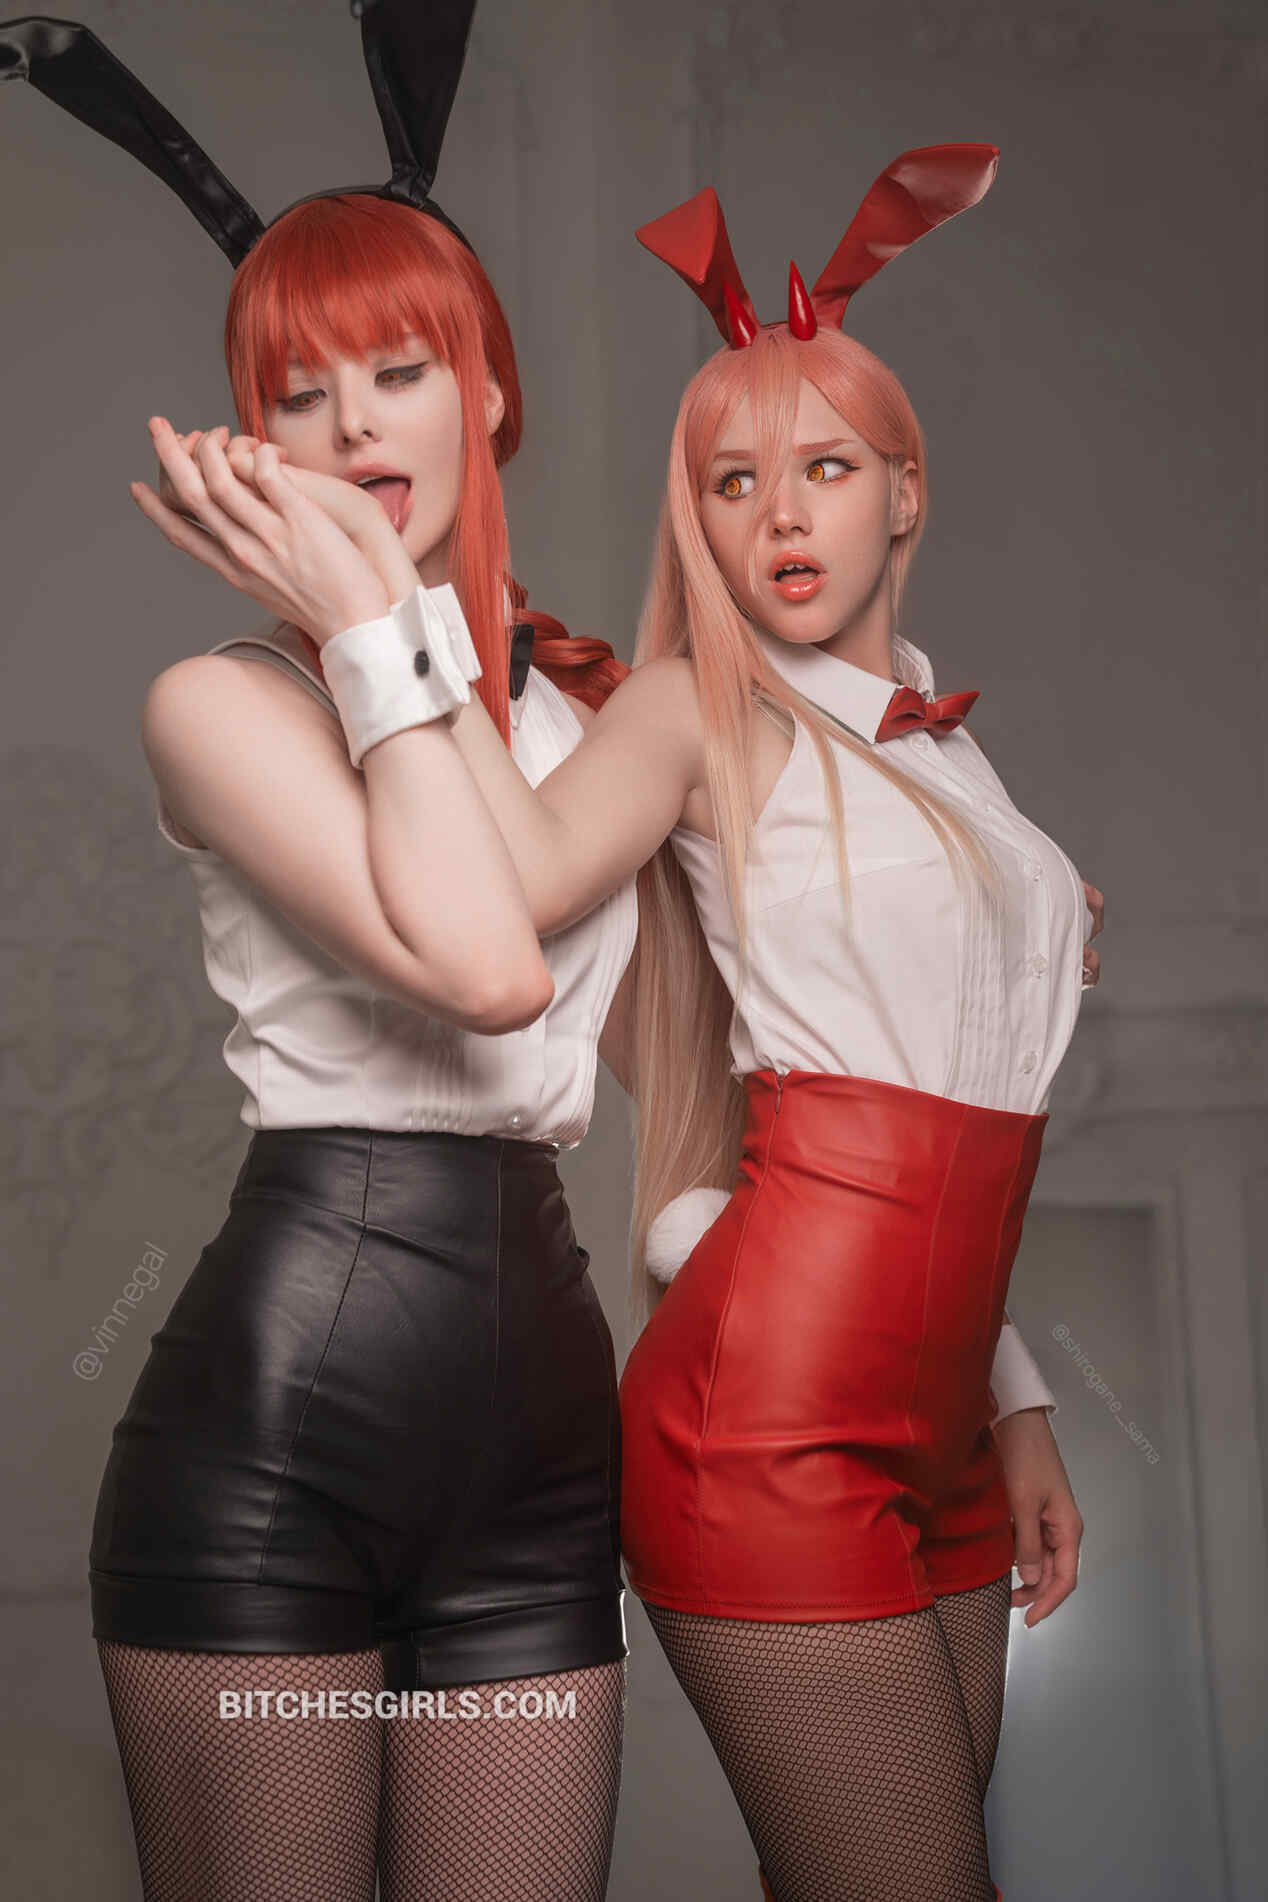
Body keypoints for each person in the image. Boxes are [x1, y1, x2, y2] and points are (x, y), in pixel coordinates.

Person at [271, 145, 1100, 1900]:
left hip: (950, 1419)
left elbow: (947, 1087)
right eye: (733, 481)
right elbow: (515, 880)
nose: (780, 518)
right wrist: (389, 612)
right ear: (695, 517)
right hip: (770, 1421)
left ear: (905, 493)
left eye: (824, 469)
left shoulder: (948, 742)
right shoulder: (683, 712)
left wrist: (1018, 1400)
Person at [5, 8, 634, 1898]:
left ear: (488, 393)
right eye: (299, 397)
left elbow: (744, 1046)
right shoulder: (224, 706)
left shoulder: (591, 727)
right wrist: (370, 618)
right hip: (274, 1462)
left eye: (400, 369)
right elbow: (489, 970)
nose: (355, 427)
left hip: (545, 1459)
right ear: (252, 448)